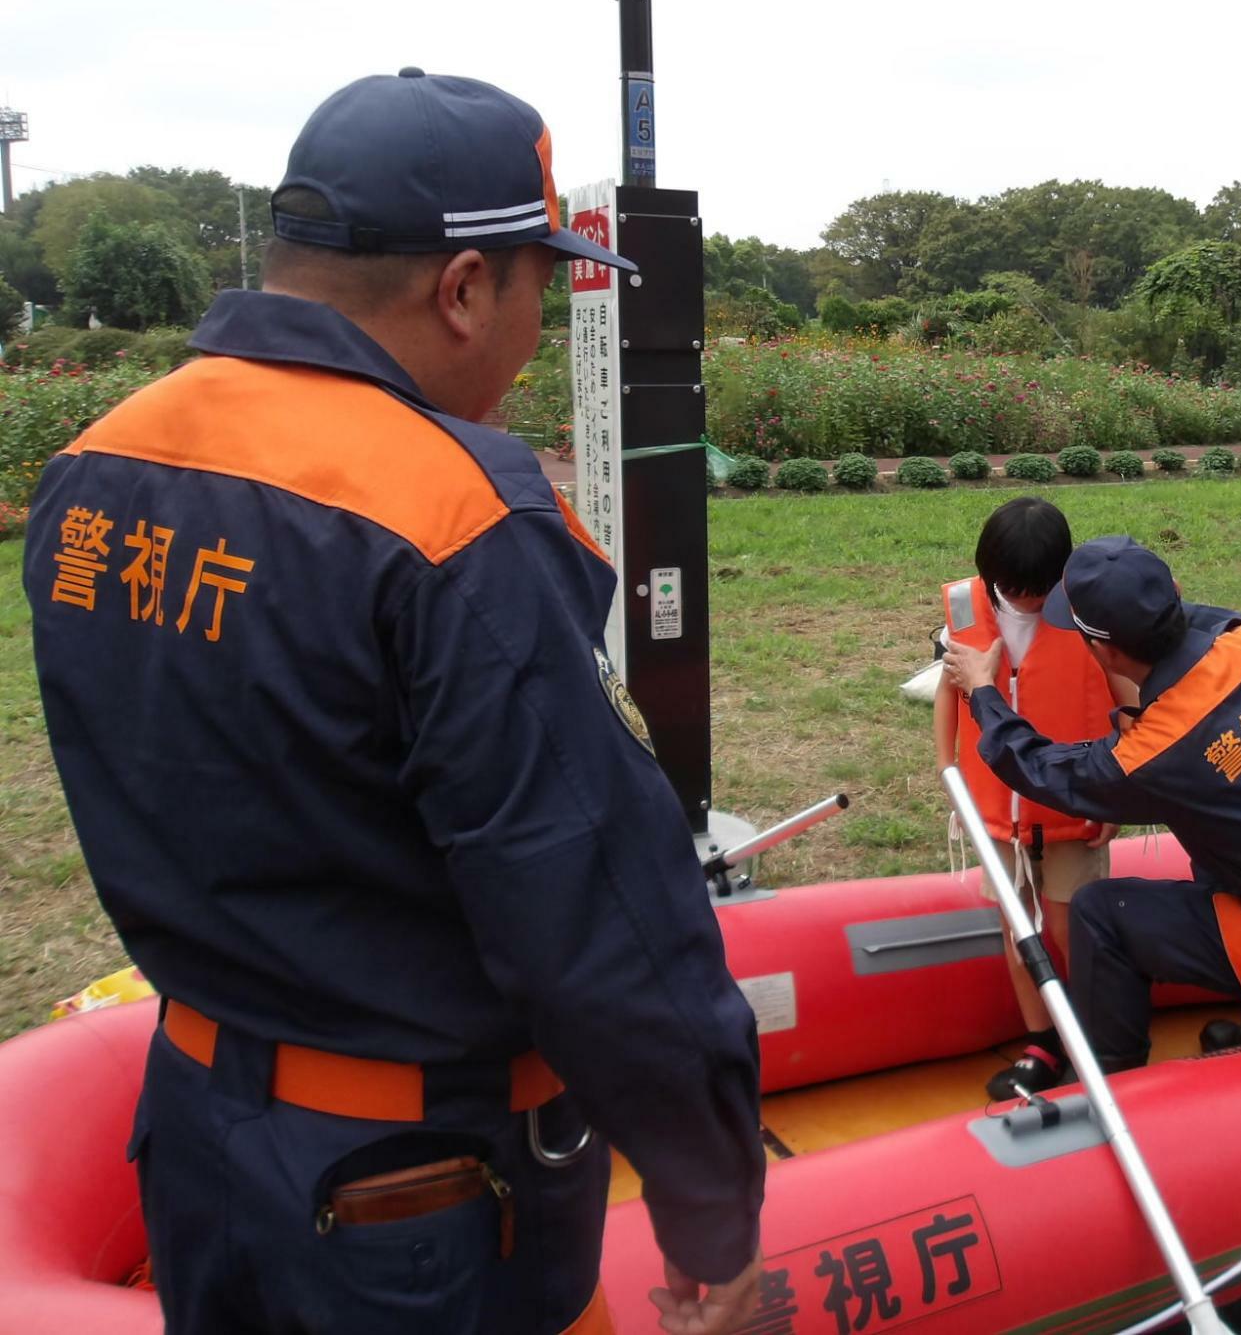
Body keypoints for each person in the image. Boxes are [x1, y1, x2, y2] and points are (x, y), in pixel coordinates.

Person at [25, 70, 766, 1335]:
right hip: (408, 1198)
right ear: (466, 288)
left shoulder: (102, 461)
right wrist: (710, 1197)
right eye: (539, 284)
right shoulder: (449, 512)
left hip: (202, 1138)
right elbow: (593, 911)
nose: (536, 330)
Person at [942, 537, 1241, 1072]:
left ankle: (1112, 1080)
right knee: (1216, 854)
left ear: (1104, 651)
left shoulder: (1159, 752)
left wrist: (983, 690)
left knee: (1101, 912)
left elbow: (1039, 769)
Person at [934, 498, 1126, 1099]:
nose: (1029, 601)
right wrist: (948, 770)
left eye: (1041, 590)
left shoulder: (1091, 615)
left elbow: (1123, 700)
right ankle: (1042, 1040)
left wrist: (1112, 798)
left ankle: (1093, 1039)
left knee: (1075, 929)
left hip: (1075, 805)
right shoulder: (967, 612)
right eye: (1015, 589)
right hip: (1000, 814)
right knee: (1018, 929)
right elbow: (949, 686)